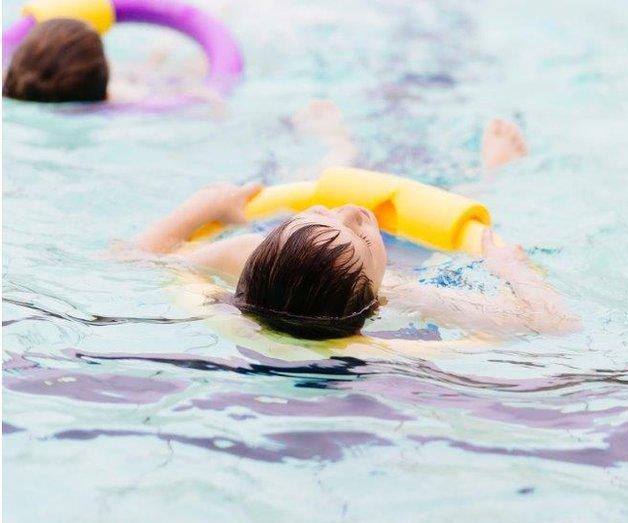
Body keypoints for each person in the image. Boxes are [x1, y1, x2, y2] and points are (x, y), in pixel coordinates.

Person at [132, 105, 577, 339]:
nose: (356, 210)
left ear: (268, 243)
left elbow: (139, 259)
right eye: (365, 237)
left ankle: (335, 146)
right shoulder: (401, 291)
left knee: (314, 184)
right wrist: (510, 269)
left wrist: (205, 208)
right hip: (413, 260)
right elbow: (554, 323)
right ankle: (489, 172)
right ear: (372, 298)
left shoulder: (242, 252)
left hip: (323, 255)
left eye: (319, 213)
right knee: (449, 216)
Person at [3, 17, 218, 104]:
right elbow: (206, 98)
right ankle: (160, 53)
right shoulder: (123, 97)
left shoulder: (14, 80)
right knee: (182, 71)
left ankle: (158, 55)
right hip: (138, 88)